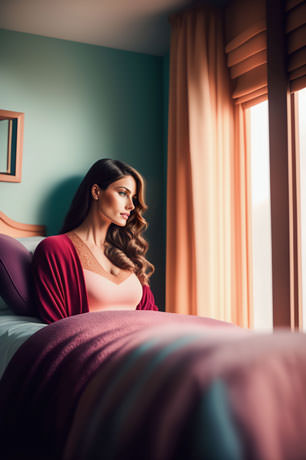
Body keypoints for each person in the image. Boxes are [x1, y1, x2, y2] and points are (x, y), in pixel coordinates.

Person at [32, 158, 158, 323]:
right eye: (122, 193)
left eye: (133, 198)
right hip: (99, 346)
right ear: (96, 192)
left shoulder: (127, 252)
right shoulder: (55, 249)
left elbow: (153, 316)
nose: (131, 206)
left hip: (142, 342)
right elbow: (57, 326)